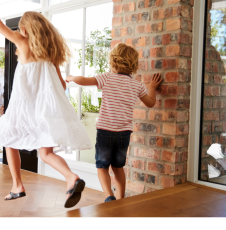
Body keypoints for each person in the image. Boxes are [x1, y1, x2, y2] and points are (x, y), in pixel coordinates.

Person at [0, 0, 91, 208]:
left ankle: (18, 186)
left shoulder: (23, 44)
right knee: (45, 153)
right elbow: (62, 86)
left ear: (24, 29)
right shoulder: (51, 56)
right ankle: (71, 177)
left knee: (6, 139)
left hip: (23, 107)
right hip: (44, 110)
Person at [67, 43, 161, 202]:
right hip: (124, 134)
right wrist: (152, 86)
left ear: (114, 62)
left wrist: (71, 78)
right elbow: (151, 102)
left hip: (105, 131)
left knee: (102, 167)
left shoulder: (107, 78)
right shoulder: (136, 85)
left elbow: (83, 80)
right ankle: (121, 199)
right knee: (118, 168)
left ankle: (109, 196)